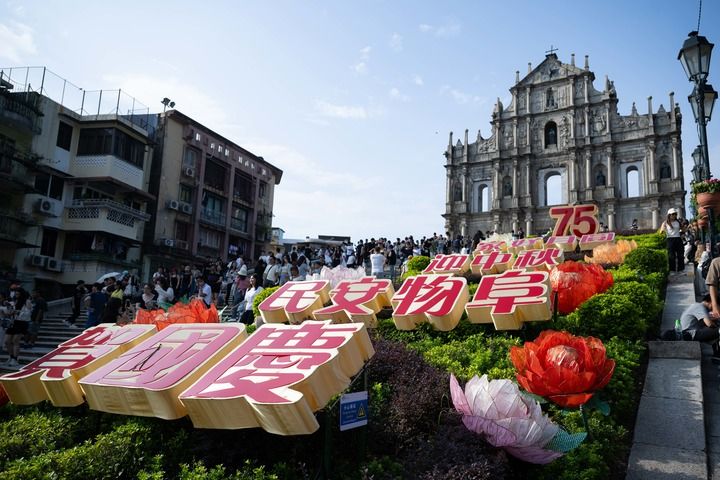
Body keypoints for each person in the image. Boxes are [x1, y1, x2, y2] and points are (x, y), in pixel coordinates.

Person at [3, 288, 31, 367]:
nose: (16, 295)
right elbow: (9, 312)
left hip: (22, 323)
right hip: (13, 322)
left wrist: (18, 312)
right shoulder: (14, 301)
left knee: (15, 341)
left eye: (18, 294)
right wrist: (9, 311)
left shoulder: (27, 301)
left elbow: (28, 313)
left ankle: (15, 359)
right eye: (16, 294)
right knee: (7, 341)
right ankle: (11, 357)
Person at [658, 208, 684, 274]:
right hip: (670, 239)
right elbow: (661, 231)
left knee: (680, 255)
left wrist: (685, 228)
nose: (674, 215)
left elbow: (683, 230)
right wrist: (663, 230)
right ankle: (672, 270)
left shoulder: (678, 222)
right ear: (669, 215)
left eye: (675, 214)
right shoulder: (665, 222)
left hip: (678, 239)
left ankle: (681, 270)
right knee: (671, 256)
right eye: (673, 214)